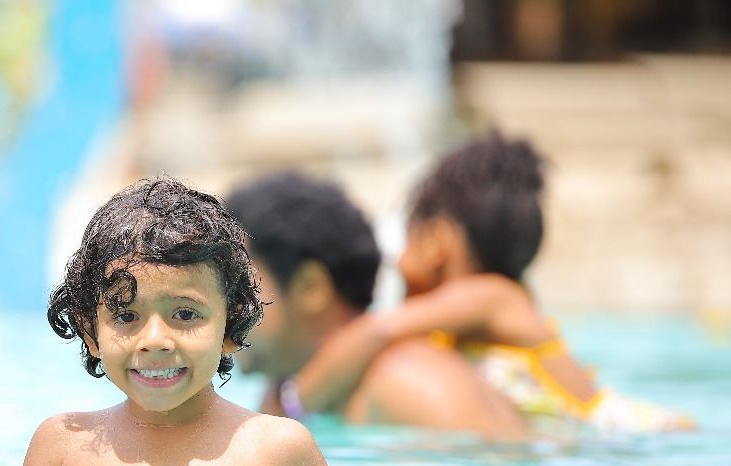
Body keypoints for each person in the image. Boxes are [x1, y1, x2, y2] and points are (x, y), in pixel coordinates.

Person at [291, 132, 693, 432]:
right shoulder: (481, 314)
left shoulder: (492, 296)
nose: (395, 258)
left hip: (618, 430)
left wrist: (295, 400)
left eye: (407, 233)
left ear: (435, 241)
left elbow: (377, 331)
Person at [18, 177, 334, 466]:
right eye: (126, 316)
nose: (155, 340)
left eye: (184, 314)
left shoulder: (280, 451)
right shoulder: (60, 448)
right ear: (91, 333)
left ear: (230, 328)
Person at [225, 170, 527, 439]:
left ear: (310, 288)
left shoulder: (406, 380)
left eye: (238, 286)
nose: (224, 309)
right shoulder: (287, 394)